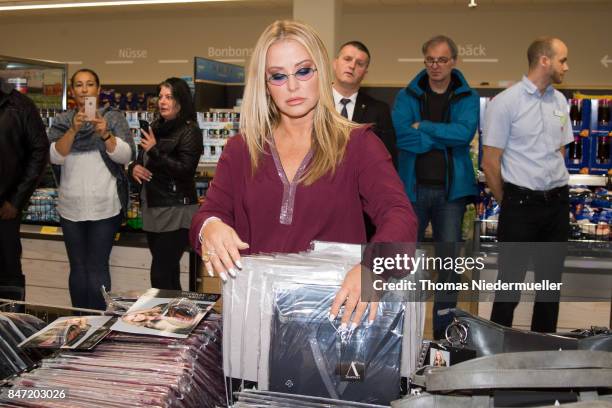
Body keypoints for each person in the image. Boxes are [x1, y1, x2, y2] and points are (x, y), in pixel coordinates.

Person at [190, 20, 417, 329]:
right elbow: (209, 214)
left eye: (303, 71)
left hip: (334, 316)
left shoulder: (359, 144)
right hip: (255, 316)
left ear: (322, 71)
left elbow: (400, 216)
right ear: (265, 84)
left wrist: (372, 269)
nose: (293, 86)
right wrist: (211, 228)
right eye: (279, 76)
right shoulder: (242, 149)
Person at [482, 37, 572, 333]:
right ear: (544, 61)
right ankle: (495, 356)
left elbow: (560, 147)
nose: (566, 67)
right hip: (520, 206)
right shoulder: (505, 103)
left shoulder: (560, 102)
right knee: (509, 288)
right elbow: (491, 161)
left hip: (556, 205)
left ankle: (542, 353)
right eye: (562, 60)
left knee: (550, 289)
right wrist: (508, 201)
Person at [392, 35, 479, 339]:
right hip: (411, 192)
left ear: (453, 61)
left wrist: (425, 127)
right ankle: (398, 328)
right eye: (430, 59)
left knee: (449, 267)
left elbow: (464, 134)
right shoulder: (407, 96)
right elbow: (401, 136)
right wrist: (441, 137)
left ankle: (445, 335)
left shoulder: (466, 96)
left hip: (450, 196)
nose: (435, 66)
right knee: (401, 261)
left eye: (442, 60)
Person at [48, 68, 135, 310]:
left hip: (105, 206)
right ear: (73, 91)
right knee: (77, 267)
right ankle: (79, 321)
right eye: (79, 85)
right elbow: (55, 156)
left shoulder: (113, 118)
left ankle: (97, 325)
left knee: (97, 266)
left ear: (98, 89)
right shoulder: (63, 121)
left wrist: (105, 133)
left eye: (89, 84)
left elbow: (126, 155)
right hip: (71, 208)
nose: (84, 89)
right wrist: (74, 130)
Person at [128, 77, 203, 291]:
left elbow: (185, 170)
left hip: (177, 209)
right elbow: (141, 159)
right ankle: (175, 320)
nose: (162, 101)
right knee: (168, 273)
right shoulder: (155, 127)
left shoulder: (190, 131)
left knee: (159, 275)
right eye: (160, 96)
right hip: (153, 207)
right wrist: (133, 168)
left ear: (181, 101)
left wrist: (154, 150)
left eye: (169, 97)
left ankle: (165, 321)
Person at [0, 79, 49, 301]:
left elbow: (39, 152)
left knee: (8, 271)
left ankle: (12, 328)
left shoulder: (20, 105)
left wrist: (16, 200)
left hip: (5, 207)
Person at [332, 41, 396, 166]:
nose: (352, 66)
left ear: (365, 73)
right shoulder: (314, 104)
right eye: (347, 59)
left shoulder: (379, 110)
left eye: (360, 64)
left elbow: (387, 160)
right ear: (335, 63)